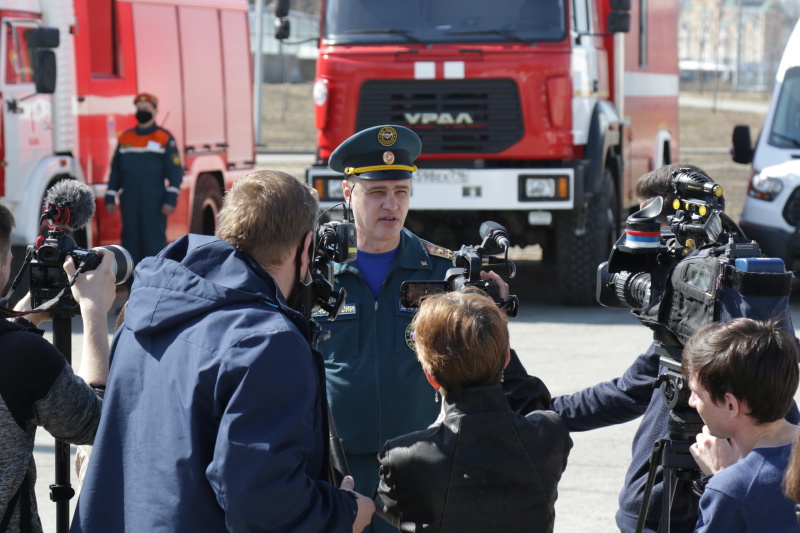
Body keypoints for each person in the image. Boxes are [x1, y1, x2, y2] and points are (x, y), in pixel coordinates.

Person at [72, 170, 374, 532]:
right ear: (307, 248)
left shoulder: (146, 307)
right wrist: (345, 513)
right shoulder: (268, 342)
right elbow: (260, 499)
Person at [549, 162, 800, 533]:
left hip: (674, 507)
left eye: (654, 228)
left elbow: (626, 393)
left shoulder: (728, 311)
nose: (652, 248)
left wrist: (728, 478)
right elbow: (628, 389)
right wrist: (542, 412)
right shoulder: (723, 301)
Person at [374, 288, 572, 532]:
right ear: (507, 358)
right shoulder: (550, 434)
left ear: (429, 376)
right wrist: (495, 326)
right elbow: (528, 399)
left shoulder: (404, 457)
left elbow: (391, 510)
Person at [0, 202, 116, 533]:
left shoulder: (19, 352)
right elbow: (96, 424)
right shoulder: (24, 358)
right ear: (3, 267)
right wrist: (94, 309)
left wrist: (24, 315)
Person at [682, 318, 800, 532]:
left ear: (730, 405)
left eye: (697, 393)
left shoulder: (733, 489)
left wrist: (721, 479)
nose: (691, 402)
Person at [104, 92, 183, 268]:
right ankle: (133, 285)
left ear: (155, 111)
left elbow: (175, 172)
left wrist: (170, 200)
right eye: (139, 109)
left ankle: (154, 283)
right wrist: (110, 196)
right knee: (130, 243)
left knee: (153, 243)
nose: (142, 111)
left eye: (146, 109)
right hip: (130, 201)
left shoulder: (164, 138)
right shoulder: (126, 138)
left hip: (154, 202)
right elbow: (116, 170)